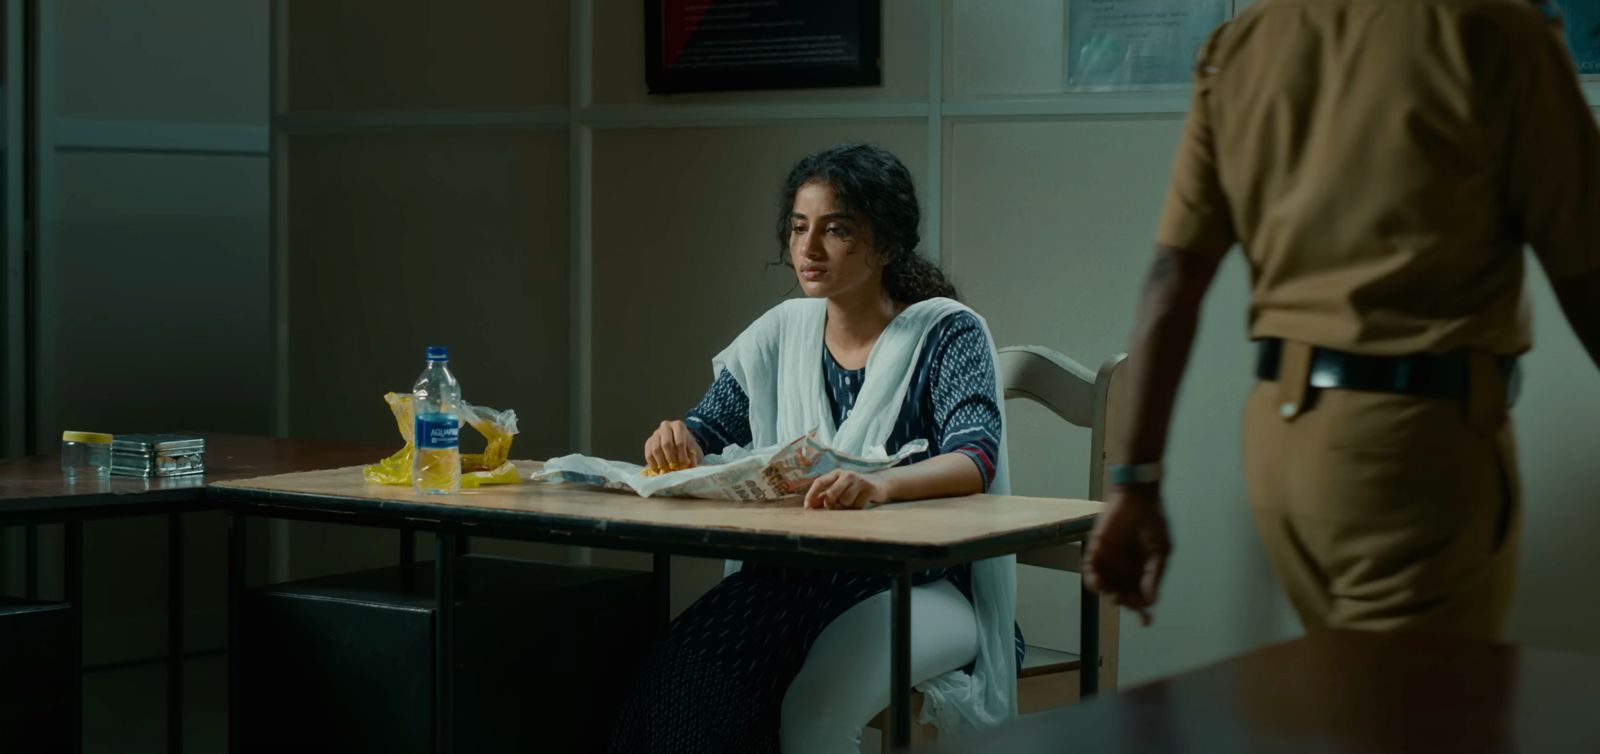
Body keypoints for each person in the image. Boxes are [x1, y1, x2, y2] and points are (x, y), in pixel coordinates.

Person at [1085, 0, 1600, 639]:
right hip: (1411, 449)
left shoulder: (1246, 44)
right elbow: (1588, 270)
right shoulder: (1494, 30)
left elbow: (1172, 279)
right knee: (1420, 697)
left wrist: (1135, 481)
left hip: (1280, 442)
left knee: (1350, 686)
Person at [610, 144, 1021, 753]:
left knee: (814, 716)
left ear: (885, 244)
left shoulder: (946, 331)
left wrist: (879, 484)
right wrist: (678, 438)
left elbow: (974, 459)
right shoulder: (783, 332)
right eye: (800, 228)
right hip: (795, 578)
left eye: (837, 230)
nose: (809, 248)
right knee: (678, 691)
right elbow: (706, 428)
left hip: (919, 587)